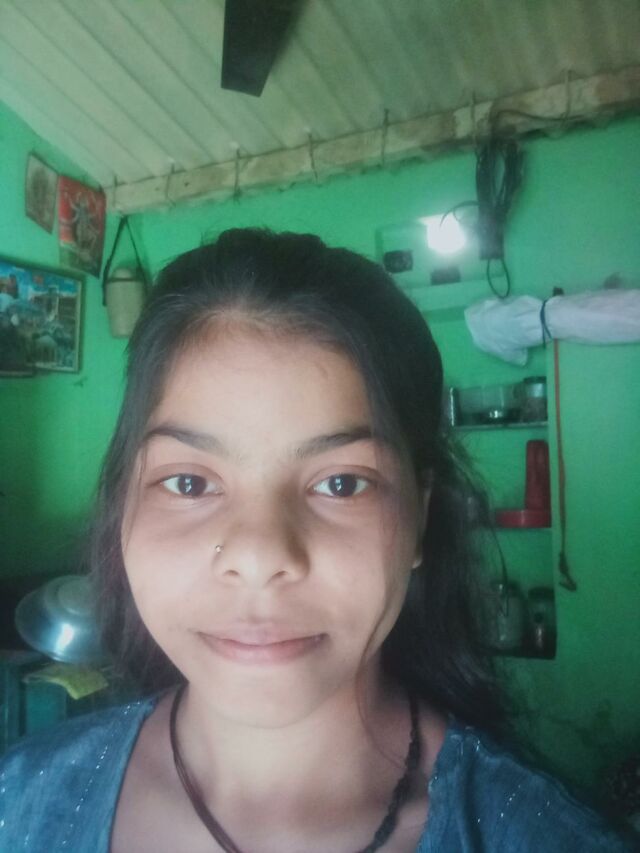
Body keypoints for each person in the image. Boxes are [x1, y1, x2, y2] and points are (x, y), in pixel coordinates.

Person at [0, 229, 632, 852]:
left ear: (419, 518)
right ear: (123, 508)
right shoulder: (20, 799)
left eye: (341, 483)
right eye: (189, 483)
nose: (259, 558)